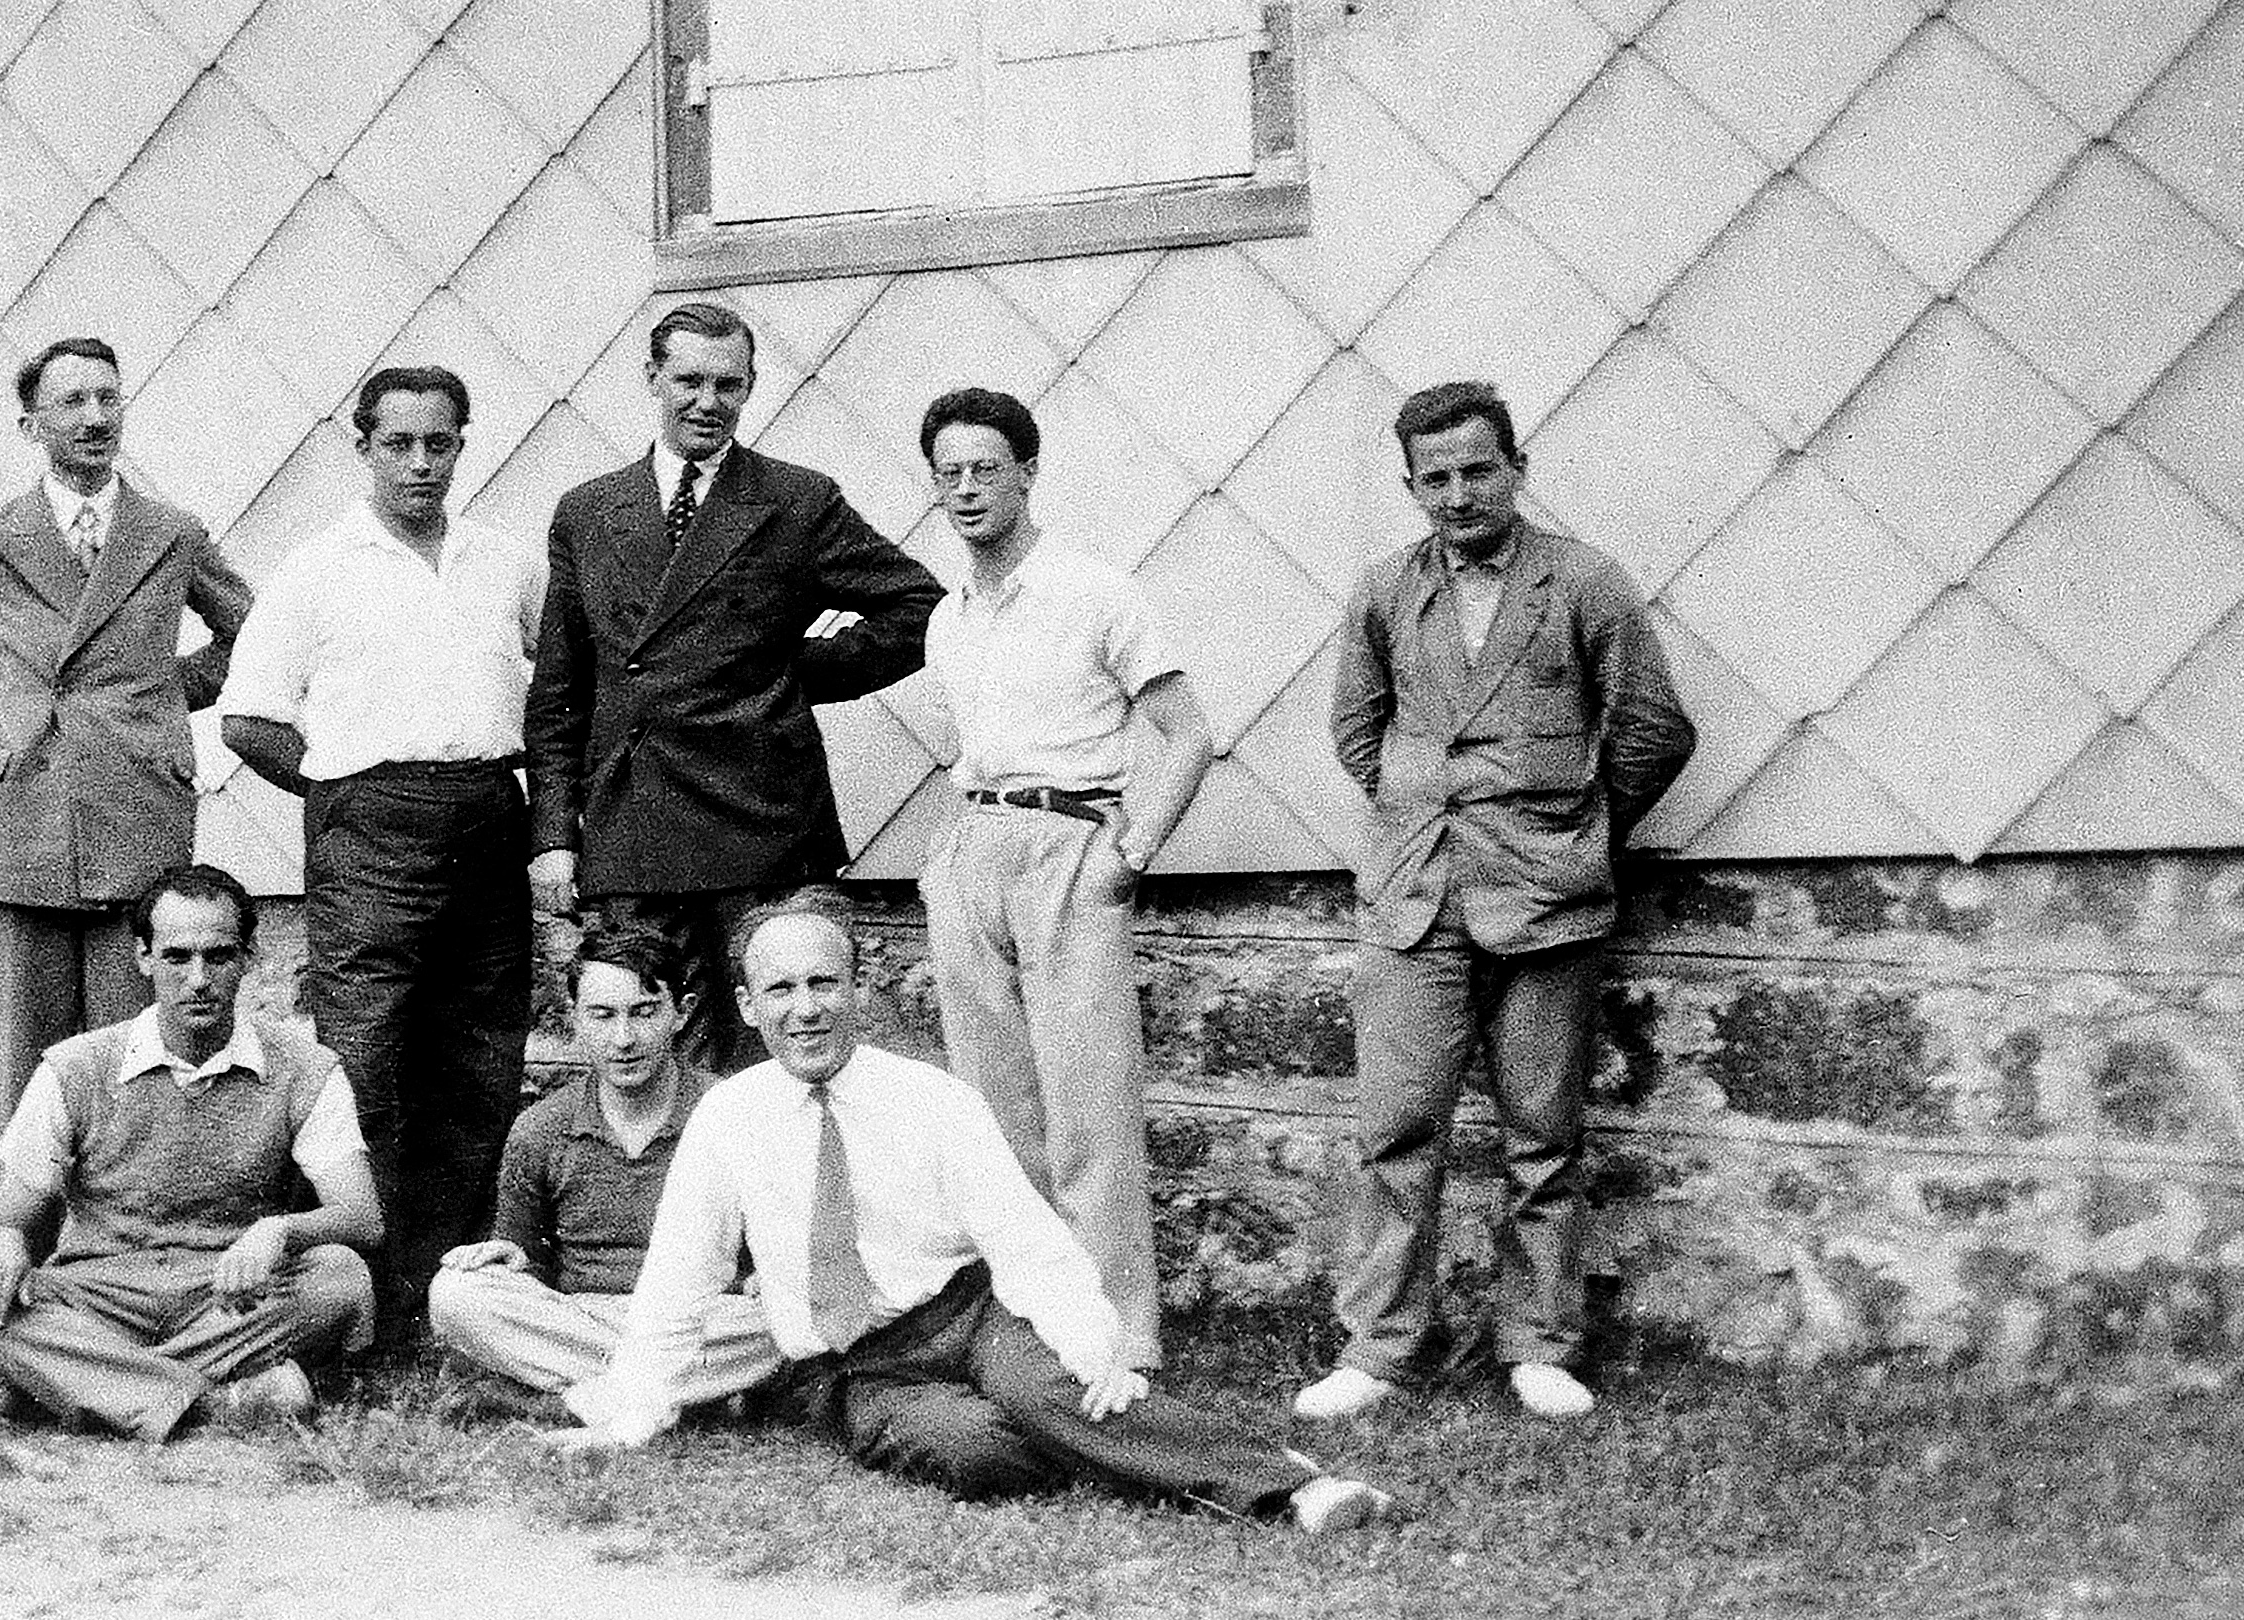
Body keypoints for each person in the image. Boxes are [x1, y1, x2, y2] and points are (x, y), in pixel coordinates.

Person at [551, 897, 1393, 1533]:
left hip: (969, 1316)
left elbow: (1023, 1238)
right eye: (781, 990)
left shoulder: (932, 1099)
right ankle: (1116, 1441)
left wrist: (1090, 1340)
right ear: (745, 1006)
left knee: (1058, 1385)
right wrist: (633, 1412)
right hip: (855, 1366)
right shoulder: (729, 1117)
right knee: (975, 1452)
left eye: (823, 983)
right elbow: (679, 1277)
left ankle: (1292, 1485)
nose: (804, 1008)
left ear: (858, 989)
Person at [1300, 380, 1696, 1423]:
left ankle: (1539, 1343)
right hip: (1417, 899)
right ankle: (1380, 1347)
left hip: (1546, 899)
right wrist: (1425, 811)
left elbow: (1653, 728)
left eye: (1479, 469)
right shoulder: (1386, 592)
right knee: (1396, 1129)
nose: (1459, 493)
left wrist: (1575, 828)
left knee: (1543, 1133)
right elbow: (1359, 730)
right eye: (1436, 478)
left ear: (1518, 467)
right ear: (1411, 487)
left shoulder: (1584, 584)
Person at [524, 301, 944, 1073]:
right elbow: (560, 692)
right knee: (651, 1054)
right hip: (633, 824)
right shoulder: (587, 511)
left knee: (772, 1053)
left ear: (751, 388)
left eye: (730, 385)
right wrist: (553, 835)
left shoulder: (794, 499)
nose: (708, 403)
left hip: (760, 820)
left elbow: (917, 608)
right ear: (652, 378)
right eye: (688, 381)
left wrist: (789, 677)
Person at [0, 336, 253, 1172]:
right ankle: (17, 1242)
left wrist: (159, 698)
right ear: (29, 423)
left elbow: (252, 636)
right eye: (73, 402)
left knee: (129, 1053)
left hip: (134, 810)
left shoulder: (171, 533)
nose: (95, 418)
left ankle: (124, 1232)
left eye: (108, 398)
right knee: (21, 1061)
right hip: (18, 820)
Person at [221, 365, 542, 1329]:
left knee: (481, 1054)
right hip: (370, 828)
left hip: (487, 814)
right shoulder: (318, 568)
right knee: (368, 1061)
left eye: (438, 443)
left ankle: (456, 1289)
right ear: (360, 447)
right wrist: (342, 799)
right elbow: (250, 720)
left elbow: (562, 683)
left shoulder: (504, 561)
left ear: (461, 445)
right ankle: (373, 1300)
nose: (419, 463)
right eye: (397, 444)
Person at [911, 388, 1213, 1372]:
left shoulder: (1095, 592)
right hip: (975, 850)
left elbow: (1187, 736)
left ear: (1027, 473)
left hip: (1073, 850)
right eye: (948, 473)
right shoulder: (948, 619)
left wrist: (1131, 855)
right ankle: (1038, 1325)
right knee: (995, 1114)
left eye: (985, 469)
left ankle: (1123, 1337)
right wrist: (949, 863)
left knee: (1090, 1110)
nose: (966, 490)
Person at [0, 864, 380, 1441]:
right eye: (176, 957)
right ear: (143, 958)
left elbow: (362, 1216)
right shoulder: (76, 1067)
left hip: (228, 1296)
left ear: (249, 958)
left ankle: (77, 1385)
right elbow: (12, 1216)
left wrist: (279, 1232)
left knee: (341, 1278)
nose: (198, 980)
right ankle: (218, 1405)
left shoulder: (304, 1069)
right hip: (98, 1293)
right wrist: (4, 1241)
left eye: (218, 956)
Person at [426, 925, 780, 1410]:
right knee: (457, 1295)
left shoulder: (732, 1113)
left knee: (782, 1315)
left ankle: (558, 1397)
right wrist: (508, 1258)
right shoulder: (542, 1128)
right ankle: (688, 1391)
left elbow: (770, 1250)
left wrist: (764, 1278)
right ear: (574, 1020)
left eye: (644, 1012)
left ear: (682, 1012)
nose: (624, 1038)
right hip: (580, 1313)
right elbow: (524, 1254)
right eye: (603, 1016)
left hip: (701, 1316)